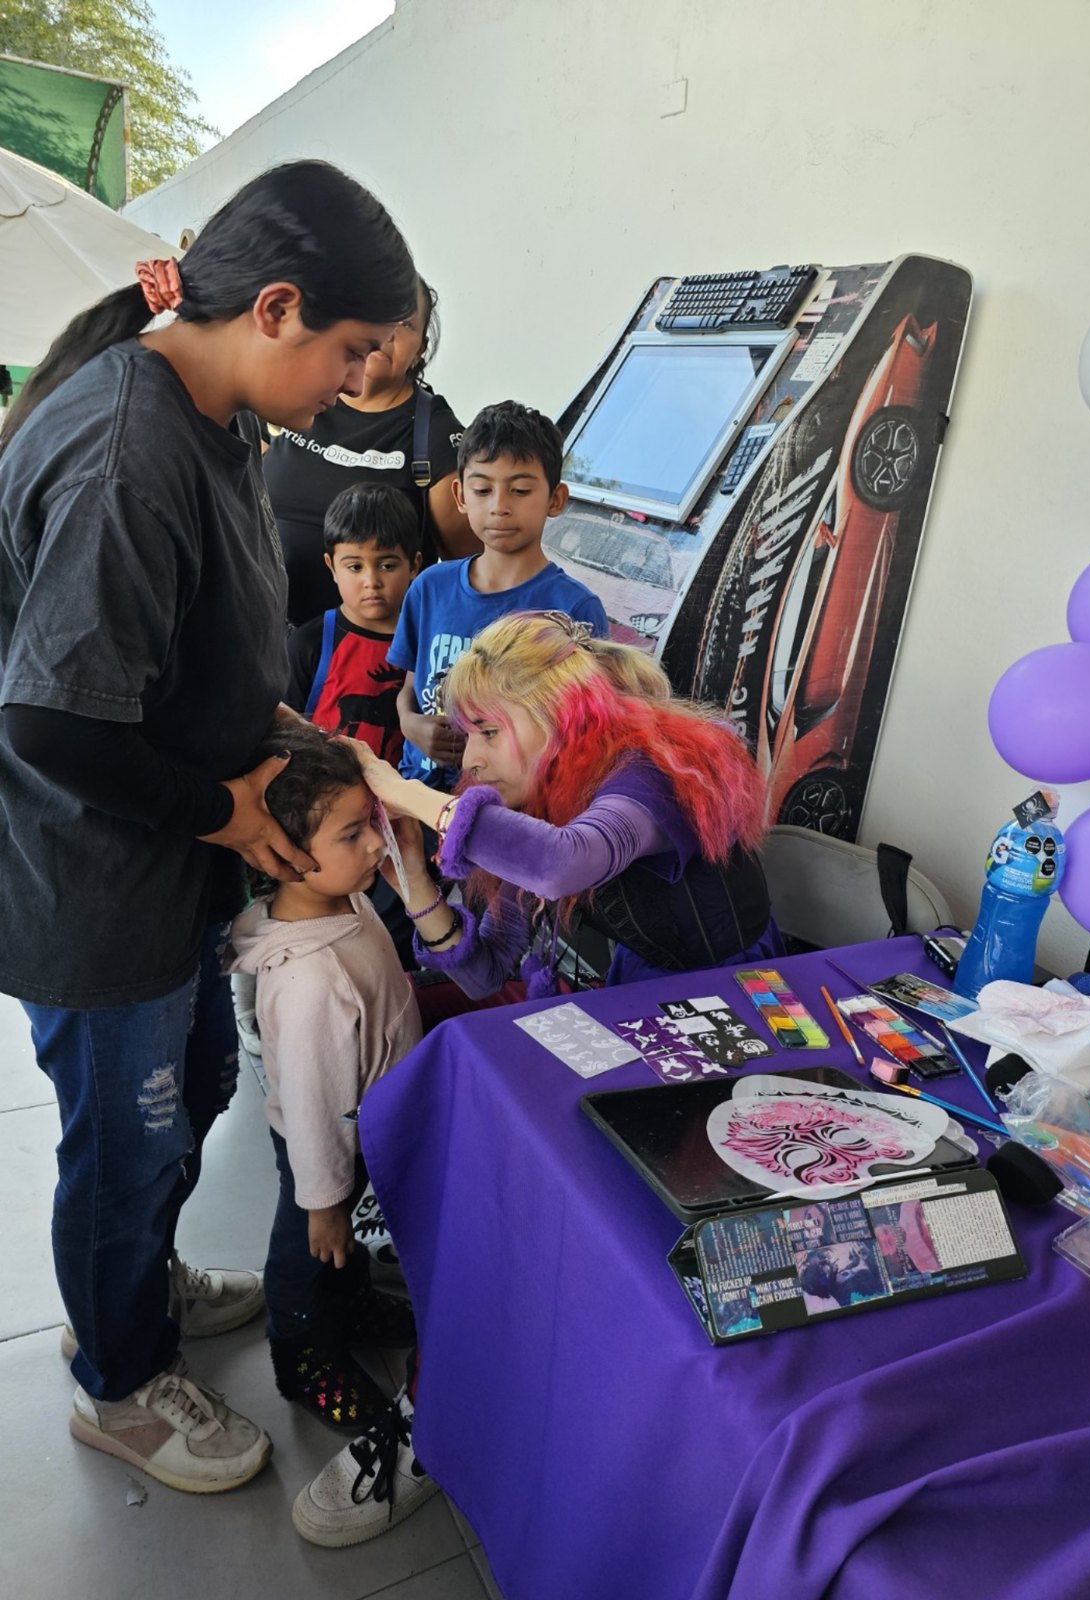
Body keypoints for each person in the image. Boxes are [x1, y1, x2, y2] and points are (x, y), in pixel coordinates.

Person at [0, 159, 417, 1494]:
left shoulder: (221, 420)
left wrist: (312, 747)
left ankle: (141, 1281)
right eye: (351, 355)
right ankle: (115, 1382)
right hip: (96, 874)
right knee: (126, 1134)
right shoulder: (128, 449)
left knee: (195, 1093)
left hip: (171, 856)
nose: (354, 386)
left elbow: (203, 664)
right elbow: (54, 727)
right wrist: (232, 811)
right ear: (279, 309)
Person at [288, 610, 781, 1548]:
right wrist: (414, 882)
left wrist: (409, 790)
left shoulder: (645, 780)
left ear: (561, 713)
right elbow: (484, 969)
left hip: (704, 1064)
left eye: (483, 730)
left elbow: (565, 865)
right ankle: (447, 1407)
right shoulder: (537, 805)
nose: (464, 756)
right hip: (602, 1043)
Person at [226, 725, 421, 1430]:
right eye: (351, 835)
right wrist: (324, 1200)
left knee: (337, 1254)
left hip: (360, 1125)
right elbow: (314, 1107)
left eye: (368, 823)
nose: (374, 843)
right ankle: (303, 1352)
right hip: (326, 1143)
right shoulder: (309, 982)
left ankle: (348, 1300)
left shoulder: (338, 897)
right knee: (308, 1249)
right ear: (284, 854)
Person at [388, 400, 609, 791]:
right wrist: (412, 724)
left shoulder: (573, 610)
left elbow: (587, 733)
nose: (499, 507)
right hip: (417, 798)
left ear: (555, 499)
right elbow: (410, 685)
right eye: (482, 489)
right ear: (460, 495)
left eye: (520, 490)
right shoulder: (429, 587)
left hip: (508, 815)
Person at [264, 276, 476, 624]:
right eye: (381, 314)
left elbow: (467, 572)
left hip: (355, 665)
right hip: (249, 636)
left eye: (405, 323)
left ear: (421, 348)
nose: (388, 332)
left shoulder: (434, 436)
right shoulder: (295, 394)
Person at [286, 481, 424, 763]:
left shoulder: (427, 641)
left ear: (414, 565)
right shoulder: (309, 643)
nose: (371, 581)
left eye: (387, 565)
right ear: (331, 567)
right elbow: (285, 733)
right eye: (355, 567)